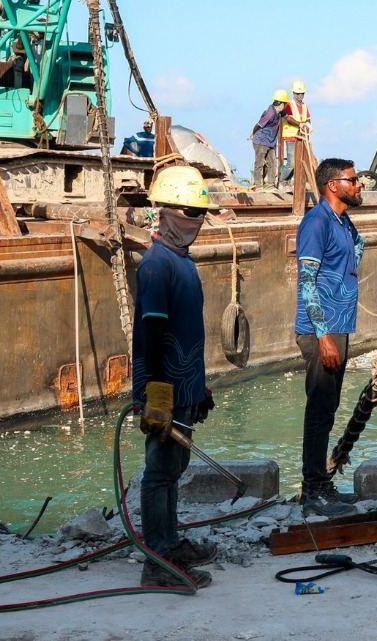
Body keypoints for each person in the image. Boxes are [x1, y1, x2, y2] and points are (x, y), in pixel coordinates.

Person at [132, 165, 219, 588]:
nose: (196, 221)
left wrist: (196, 387)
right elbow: (153, 331)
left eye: (200, 213)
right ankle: (157, 563)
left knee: (175, 467)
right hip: (163, 385)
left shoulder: (182, 261)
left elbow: (187, 331)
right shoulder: (156, 265)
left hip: (184, 383)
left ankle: (169, 542)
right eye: (189, 212)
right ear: (164, 212)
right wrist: (158, 394)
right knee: (159, 471)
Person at [295, 157, 365, 515]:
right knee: (319, 409)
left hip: (339, 325)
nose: (359, 185)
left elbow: (358, 248)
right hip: (321, 329)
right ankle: (313, 491)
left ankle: (322, 484)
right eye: (353, 180)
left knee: (329, 408)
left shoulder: (342, 221)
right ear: (333, 185)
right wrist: (323, 337)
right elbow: (306, 281)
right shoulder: (316, 222)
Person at [249, 90, 288, 189]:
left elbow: (288, 117)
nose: (286, 105)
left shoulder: (279, 112)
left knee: (272, 163)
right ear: (281, 104)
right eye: (285, 103)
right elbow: (258, 125)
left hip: (270, 142)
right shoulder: (270, 113)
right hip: (261, 141)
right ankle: (258, 186)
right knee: (259, 163)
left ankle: (271, 185)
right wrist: (253, 134)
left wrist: (300, 124)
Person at [279, 80, 311, 183]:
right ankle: (282, 181)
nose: (300, 96)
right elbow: (288, 118)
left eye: (302, 93)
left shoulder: (304, 106)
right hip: (291, 137)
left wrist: (308, 125)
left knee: (299, 163)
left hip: (302, 138)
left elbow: (308, 119)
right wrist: (300, 124)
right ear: (293, 93)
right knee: (291, 163)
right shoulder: (289, 105)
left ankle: (288, 182)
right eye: (297, 93)